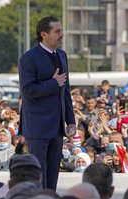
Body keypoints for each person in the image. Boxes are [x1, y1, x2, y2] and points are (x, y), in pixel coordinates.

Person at [19, 16, 76, 190]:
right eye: (57, 31)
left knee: (52, 176)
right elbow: (27, 91)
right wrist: (53, 83)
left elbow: (65, 90)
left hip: (57, 126)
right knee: (39, 175)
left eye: (61, 30)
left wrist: (70, 119)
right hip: (37, 126)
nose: (62, 34)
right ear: (44, 34)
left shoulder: (61, 55)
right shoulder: (29, 58)